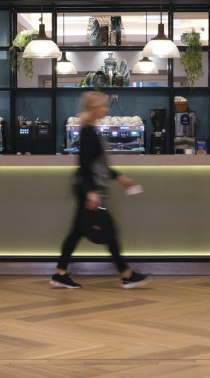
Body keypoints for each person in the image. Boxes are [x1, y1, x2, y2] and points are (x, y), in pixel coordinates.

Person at [51, 92, 153, 290]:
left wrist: (120, 178)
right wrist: (91, 192)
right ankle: (127, 275)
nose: (107, 109)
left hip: (90, 188)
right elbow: (85, 164)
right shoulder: (88, 131)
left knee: (78, 232)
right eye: (103, 106)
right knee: (108, 230)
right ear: (94, 108)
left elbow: (99, 164)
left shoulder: (91, 129)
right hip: (89, 189)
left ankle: (60, 274)